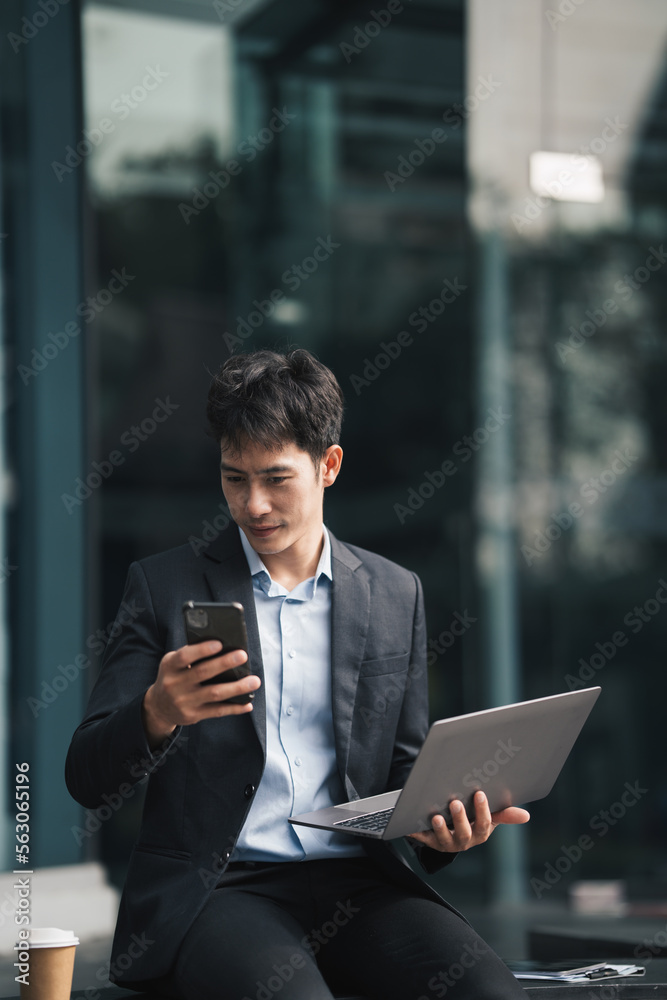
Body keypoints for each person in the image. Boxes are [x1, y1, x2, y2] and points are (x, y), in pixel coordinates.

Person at [66, 349, 529, 1000]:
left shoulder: (396, 595)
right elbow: (85, 777)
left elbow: (404, 777)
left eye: (276, 479)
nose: (252, 505)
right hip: (220, 888)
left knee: (490, 992)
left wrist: (443, 831)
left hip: (360, 886)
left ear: (328, 466)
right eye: (234, 479)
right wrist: (157, 711)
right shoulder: (163, 587)